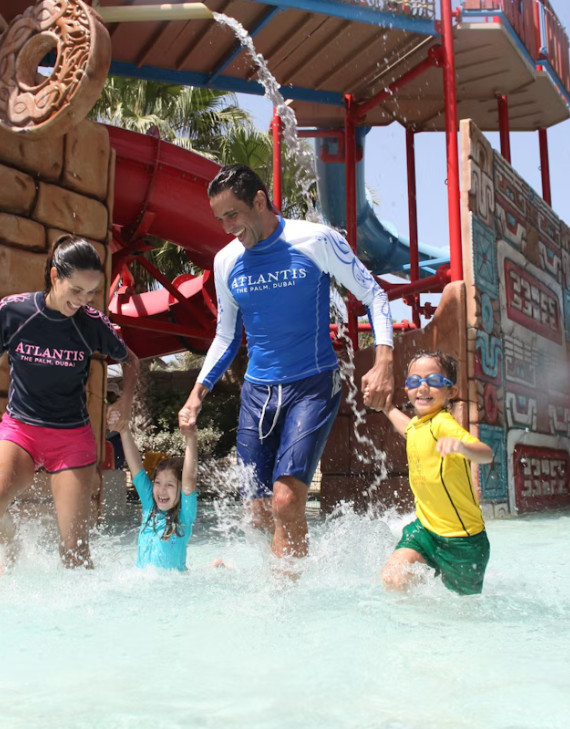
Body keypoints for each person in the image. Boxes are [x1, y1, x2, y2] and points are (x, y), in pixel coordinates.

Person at [179, 165, 394, 560]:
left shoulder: (315, 240)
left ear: (259, 200)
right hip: (257, 394)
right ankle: (286, 573)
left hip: (312, 384)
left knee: (285, 500)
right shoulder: (226, 261)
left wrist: (384, 361)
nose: (227, 227)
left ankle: (287, 589)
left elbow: (374, 295)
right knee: (257, 513)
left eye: (233, 215)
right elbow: (226, 336)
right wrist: (197, 393)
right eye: (220, 219)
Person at [0, 235, 137, 574]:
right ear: (55, 276)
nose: (83, 300)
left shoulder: (92, 324)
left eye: (91, 292)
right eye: (76, 290)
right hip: (21, 429)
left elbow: (131, 360)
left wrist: (126, 401)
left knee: (74, 553)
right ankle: (11, 548)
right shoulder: (14, 311)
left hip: (71, 437)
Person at [380, 350, 493, 595]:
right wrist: (386, 408)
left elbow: (487, 454)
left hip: (463, 541)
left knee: (464, 610)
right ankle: (418, 615)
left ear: (451, 391)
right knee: (392, 577)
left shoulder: (443, 423)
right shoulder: (419, 424)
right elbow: (408, 429)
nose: (422, 387)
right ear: (407, 389)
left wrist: (462, 446)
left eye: (433, 380)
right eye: (414, 381)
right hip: (426, 530)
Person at [113, 410, 198, 571]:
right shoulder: (149, 506)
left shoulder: (184, 517)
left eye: (170, 485)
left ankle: (216, 565)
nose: (162, 489)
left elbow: (189, 479)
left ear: (181, 489)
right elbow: (136, 467)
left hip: (174, 581)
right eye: (158, 482)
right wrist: (124, 430)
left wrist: (191, 438)